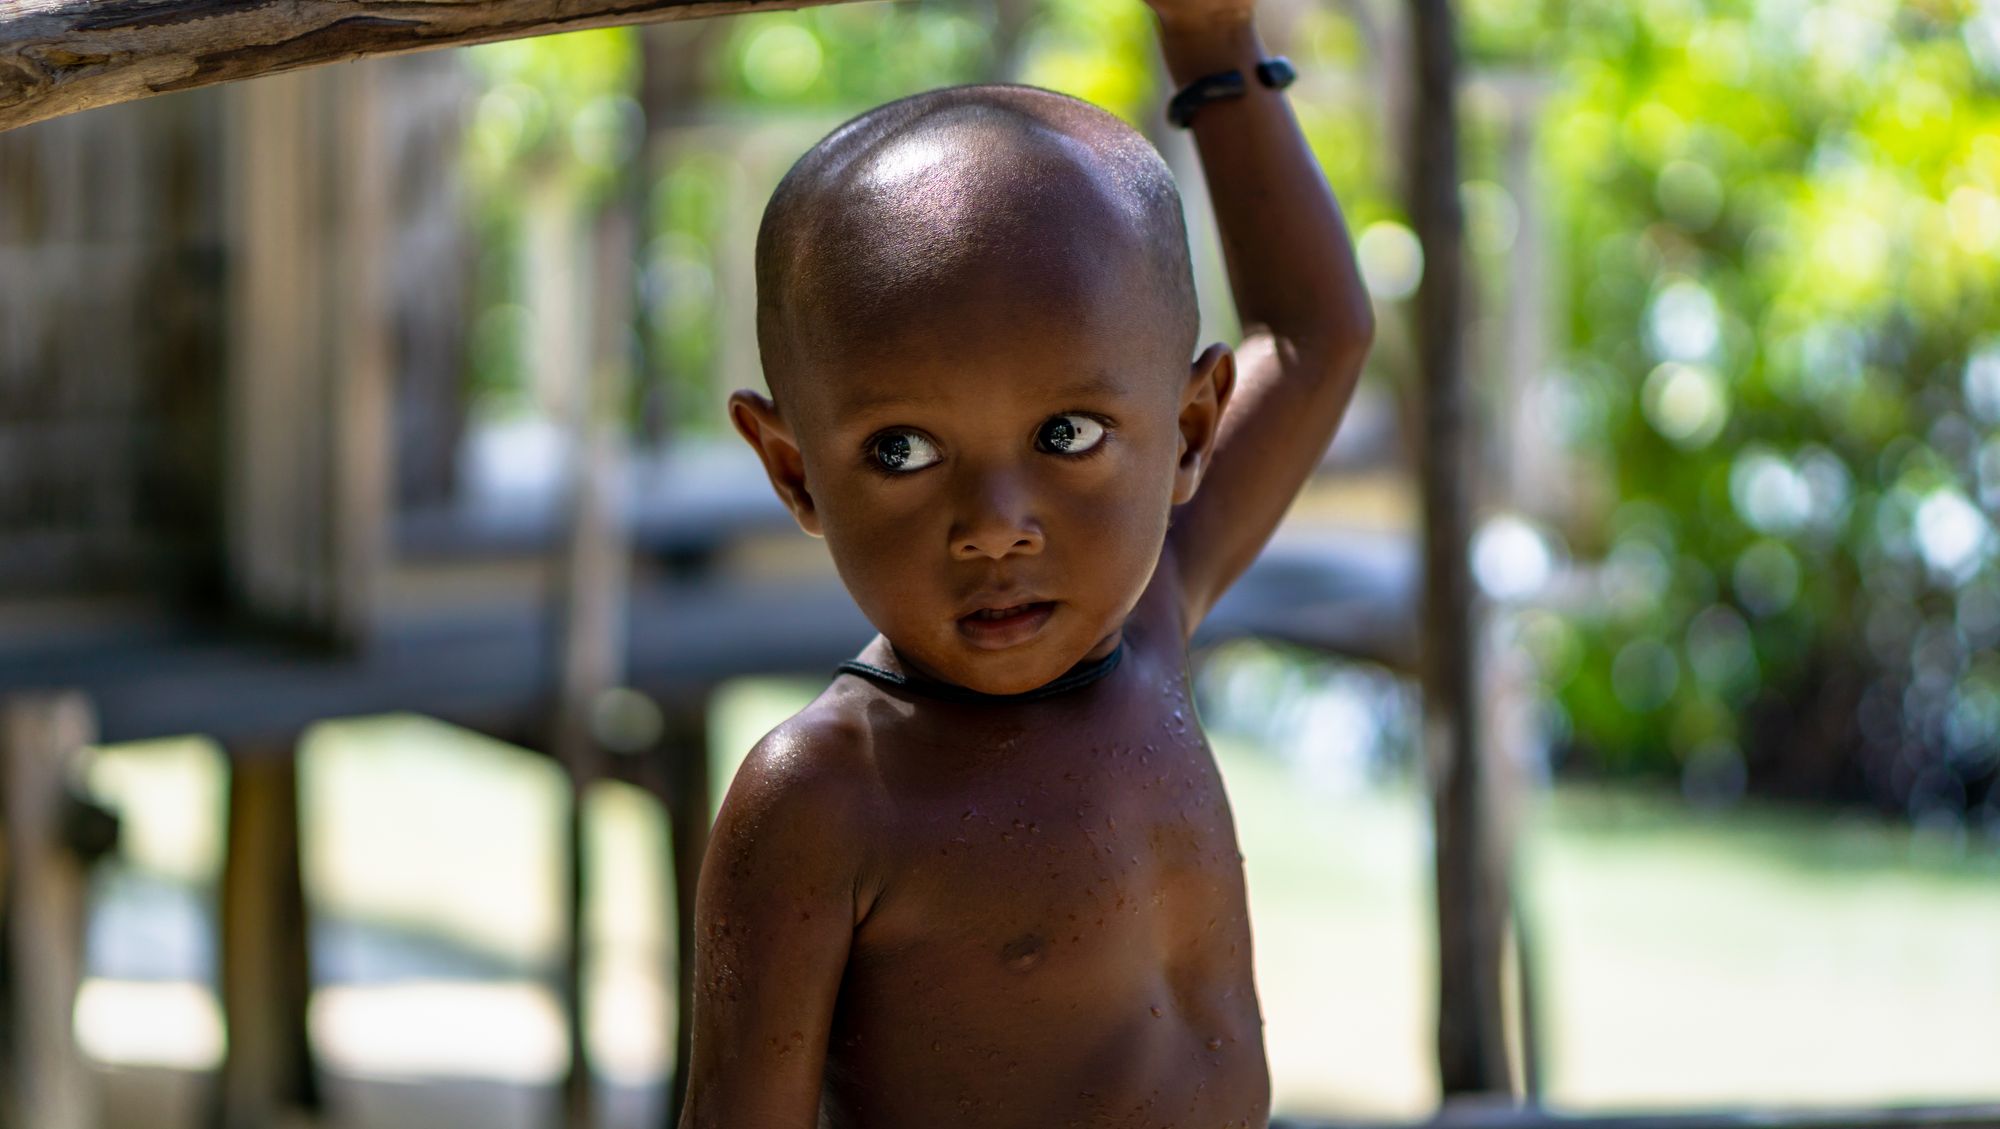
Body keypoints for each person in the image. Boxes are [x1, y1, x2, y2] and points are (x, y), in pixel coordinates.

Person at [680, 0, 1372, 1122]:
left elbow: (1313, 337)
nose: (994, 524)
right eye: (901, 451)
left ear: (1192, 429)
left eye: (1067, 437)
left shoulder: (1144, 622)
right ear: (793, 469)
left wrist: (1209, 43)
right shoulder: (823, 796)